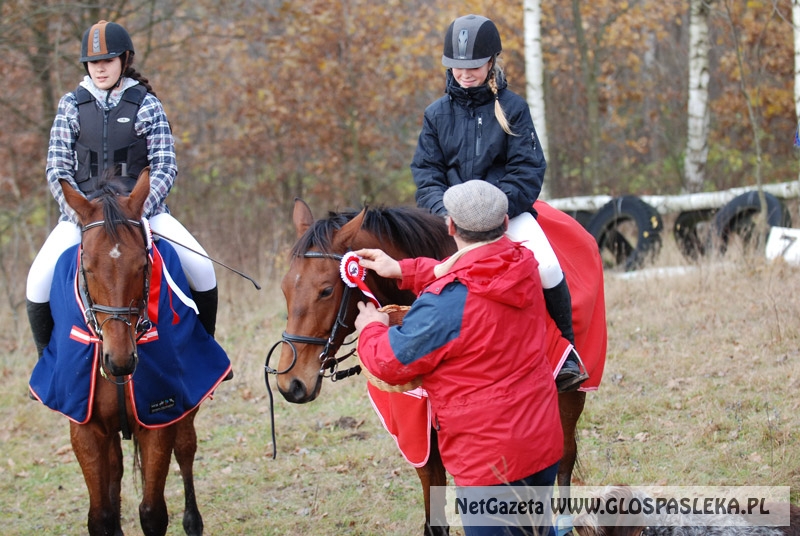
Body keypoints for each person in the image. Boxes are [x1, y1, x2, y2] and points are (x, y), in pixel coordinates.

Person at [355, 181, 563, 536]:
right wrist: (404, 270)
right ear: (505, 222)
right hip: (540, 442)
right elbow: (469, 270)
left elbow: (390, 362)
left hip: (489, 463)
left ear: (450, 226)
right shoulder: (522, 264)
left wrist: (370, 328)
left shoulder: (445, 303)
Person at [410, 14, 587, 392]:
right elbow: (426, 174)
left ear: (491, 62)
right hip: (451, 221)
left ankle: (566, 355)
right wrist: (445, 213)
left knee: (547, 266)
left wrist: (492, 214)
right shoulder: (435, 114)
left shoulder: (513, 108)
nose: (464, 73)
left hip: (507, 214)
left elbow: (527, 170)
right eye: (457, 66)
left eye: (473, 65)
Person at [26, 20, 219, 360]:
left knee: (202, 268)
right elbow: (57, 169)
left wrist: (137, 210)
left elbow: (164, 165)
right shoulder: (70, 105)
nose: (100, 68)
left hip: (143, 214)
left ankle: (206, 353)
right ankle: (47, 362)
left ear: (124, 60)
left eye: (108, 60)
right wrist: (82, 214)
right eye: (93, 62)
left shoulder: (146, 105)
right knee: (37, 280)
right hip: (83, 218)